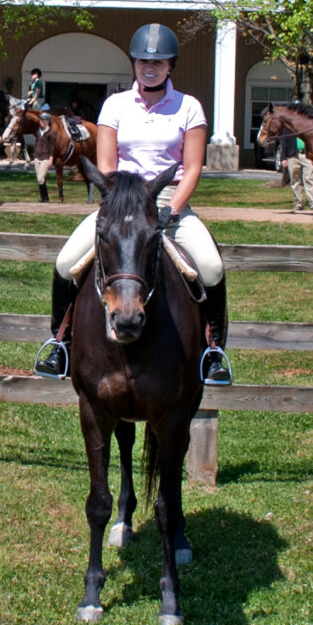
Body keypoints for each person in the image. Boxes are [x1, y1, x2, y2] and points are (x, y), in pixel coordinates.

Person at [33, 24, 232, 386]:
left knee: (211, 266)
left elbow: (192, 167)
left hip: (169, 200)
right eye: (142, 61)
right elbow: (107, 166)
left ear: (171, 65)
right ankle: (60, 344)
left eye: (158, 62)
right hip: (121, 201)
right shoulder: (116, 105)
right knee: (65, 262)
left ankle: (213, 352)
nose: (149, 67)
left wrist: (172, 209)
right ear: (134, 63)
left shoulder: (189, 107)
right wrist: (119, 202)